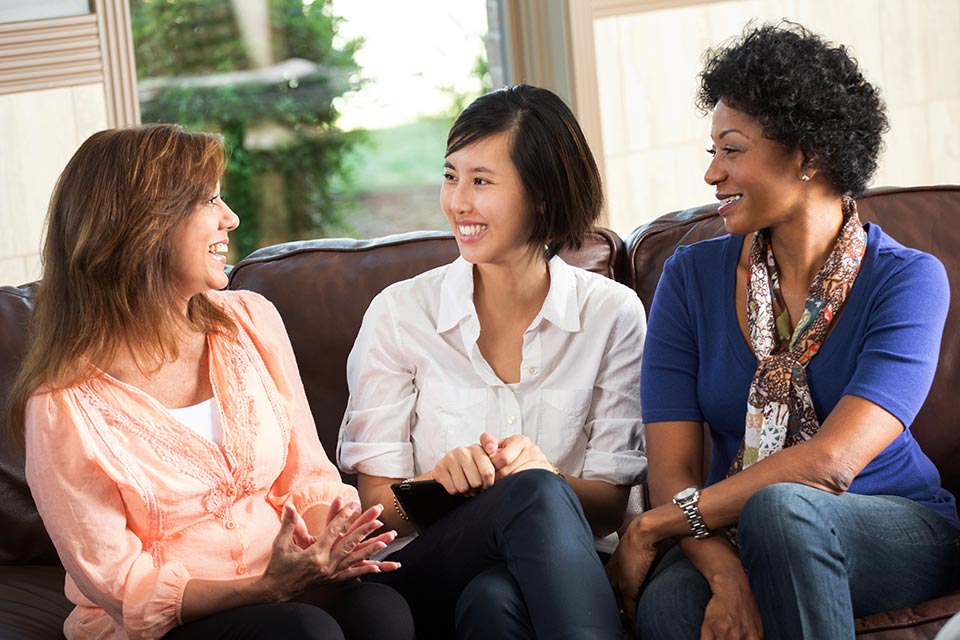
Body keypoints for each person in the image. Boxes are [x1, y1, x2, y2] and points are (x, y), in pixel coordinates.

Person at [606, 21, 960, 640]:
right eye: (711, 151)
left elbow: (830, 464)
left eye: (732, 149)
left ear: (808, 155)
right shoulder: (688, 278)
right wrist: (724, 575)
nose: (712, 174)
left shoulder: (909, 281)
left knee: (783, 508)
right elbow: (673, 467)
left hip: (892, 524)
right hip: (734, 530)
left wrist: (655, 526)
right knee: (670, 608)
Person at [6, 124, 414, 640]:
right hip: (169, 621)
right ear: (143, 225)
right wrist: (265, 588)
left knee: (382, 611)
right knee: (301, 632)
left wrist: (323, 548)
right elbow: (120, 583)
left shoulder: (250, 319)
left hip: (286, 588)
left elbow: (308, 474)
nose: (231, 218)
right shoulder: (61, 403)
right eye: (209, 200)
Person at [338, 84, 647, 639]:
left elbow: (607, 508)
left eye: (481, 181)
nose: (458, 201)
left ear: (545, 195)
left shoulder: (612, 314)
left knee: (496, 599)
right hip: (427, 572)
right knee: (528, 497)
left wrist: (545, 475)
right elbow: (376, 513)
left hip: (561, 572)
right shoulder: (401, 314)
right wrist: (437, 485)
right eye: (451, 175)